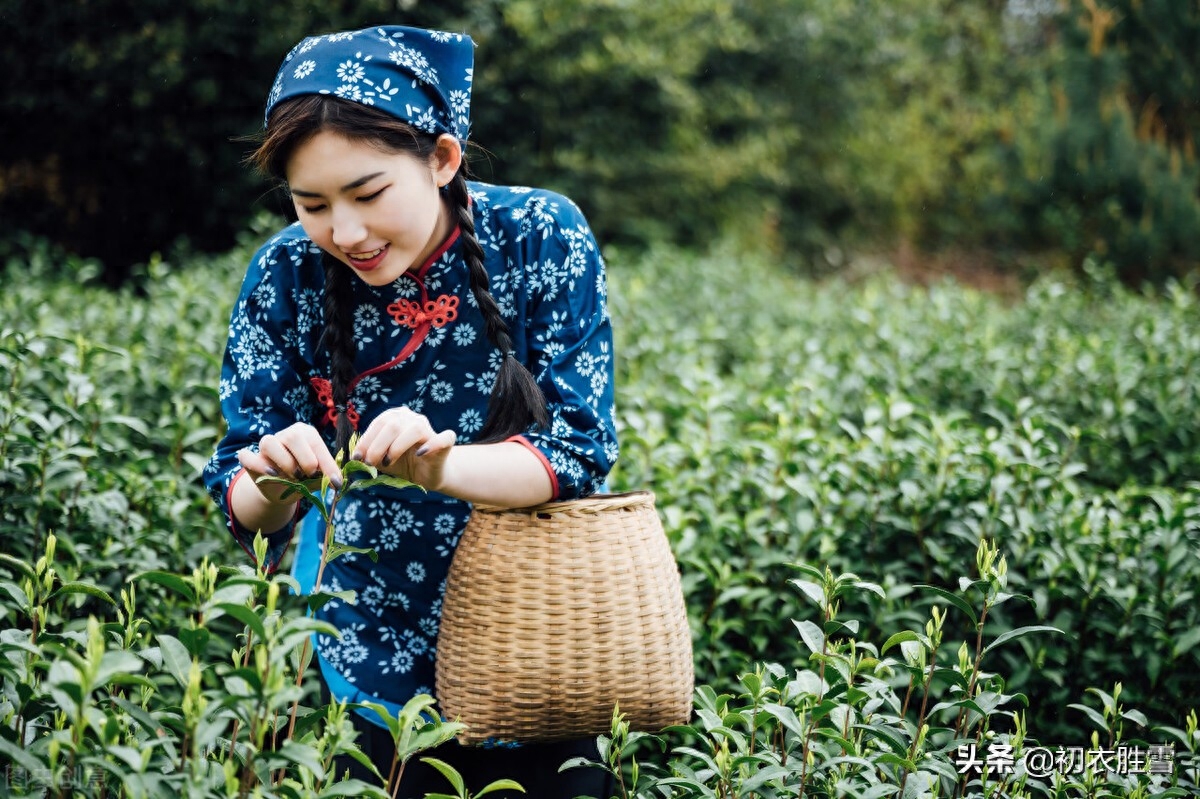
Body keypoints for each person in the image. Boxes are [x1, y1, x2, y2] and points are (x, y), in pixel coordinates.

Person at [202, 24, 618, 798]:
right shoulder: (283, 275)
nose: (346, 233)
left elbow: (578, 449)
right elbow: (242, 502)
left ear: (442, 158)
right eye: (312, 203)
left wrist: (441, 467)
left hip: (537, 637)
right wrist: (275, 475)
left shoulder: (539, 236)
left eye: (368, 194)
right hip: (357, 647)